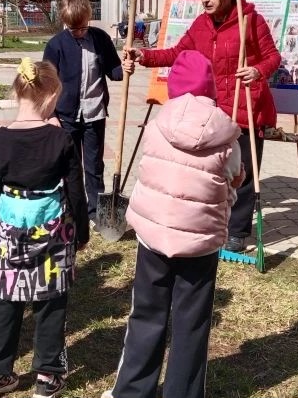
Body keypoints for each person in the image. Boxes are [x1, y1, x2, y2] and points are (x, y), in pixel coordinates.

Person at [104, 51, 243, 398]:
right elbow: (233, 180)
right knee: (191, 324)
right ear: (210, 88)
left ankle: (132, 390)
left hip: (152, 239)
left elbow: (149, 172)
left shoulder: (156, 125)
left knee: (145, 315)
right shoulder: (227, 136)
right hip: (200, 244)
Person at [123, 0, 280, 252]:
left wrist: (257, 71)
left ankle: (238, 231)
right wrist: (143, 56)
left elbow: (273, 57)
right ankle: (216, 222)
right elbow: (176, 53)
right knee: (216, 171)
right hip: (215, 112)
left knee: (242, 172)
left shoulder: (251, 21)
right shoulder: (201, 25)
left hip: (244, 105)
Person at [0, 58, 88, 398]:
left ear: (16, 91)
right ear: (51, 95)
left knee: (3, 302)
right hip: (55, 235)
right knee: (52, 303)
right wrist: (81, 233)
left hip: (8, 234)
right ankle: (48, 376)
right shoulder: (62, 140)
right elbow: (76, 193)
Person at [42, 0, 123, 223]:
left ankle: (96, 211)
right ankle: (71, 210)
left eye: (83, 27)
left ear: (89, 18)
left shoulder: (100, 39)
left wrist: (125, 66)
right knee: (70, 166)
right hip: (66, 117)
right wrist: (51, 115)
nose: (79, 32)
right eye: (73, 28)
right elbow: (48, 84)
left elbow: (114, 71)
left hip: (94, 114)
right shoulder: (56, 45)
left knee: (94, 165)